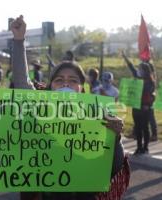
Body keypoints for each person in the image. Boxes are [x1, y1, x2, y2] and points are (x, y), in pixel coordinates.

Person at [11, 15, 130, 200]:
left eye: (73, 80)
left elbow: (111, 168)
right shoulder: (39, 110)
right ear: (50, 87)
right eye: (59, 80)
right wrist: (19, 40)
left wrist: (115, 138)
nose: (66, 84)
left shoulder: (98, 115)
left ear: (82, 88)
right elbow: (21, 83)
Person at [122, 51, 156, 154]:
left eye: (140, 69)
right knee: (138, 127)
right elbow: (131, 67)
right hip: (136, 107)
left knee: (145, 127)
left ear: (145, 71)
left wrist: (147, 105)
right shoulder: (137, 78)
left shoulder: (150, 82)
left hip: (145, 108)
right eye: (139, 68)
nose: (138, 70)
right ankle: (138, 147)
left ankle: (145, 147)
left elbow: (151, 96)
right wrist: (125, 57)